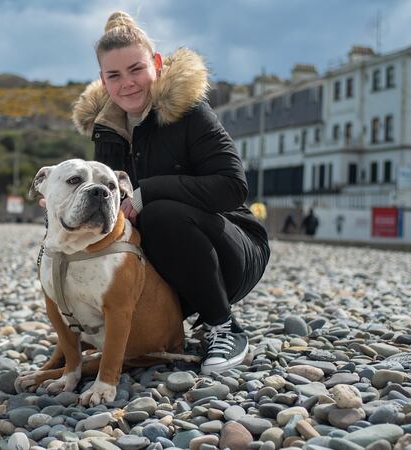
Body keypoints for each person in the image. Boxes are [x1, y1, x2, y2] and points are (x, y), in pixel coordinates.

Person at [71, 12, 270, 374]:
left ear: (157, 64)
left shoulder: (190, 113)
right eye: (114, 75)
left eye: (136, 69)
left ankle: (224, 326)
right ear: (102, 80)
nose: (127, 83)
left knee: (161, 213)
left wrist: (149, 191)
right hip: (165, 262)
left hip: (232, 249)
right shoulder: (107, 130)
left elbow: (233, 186)